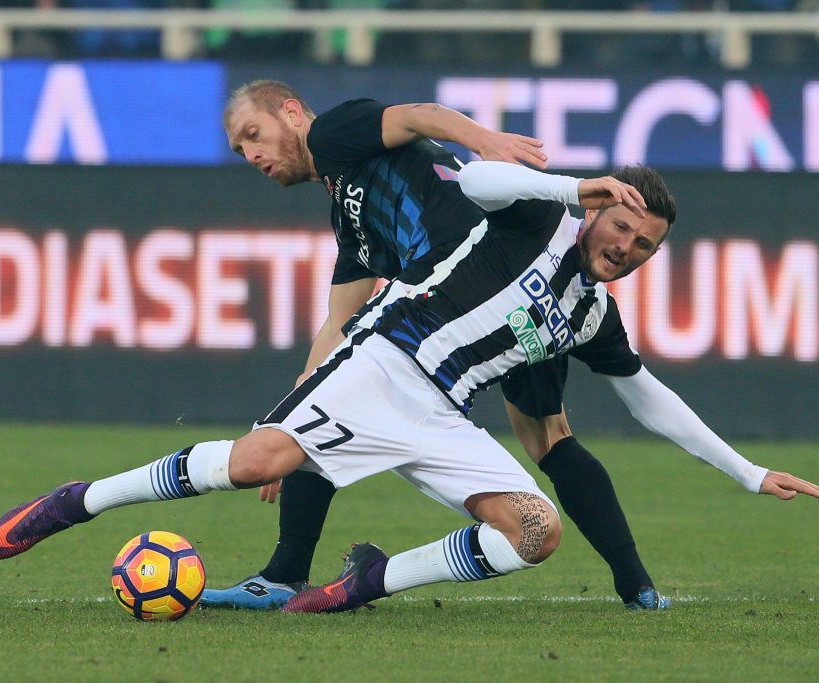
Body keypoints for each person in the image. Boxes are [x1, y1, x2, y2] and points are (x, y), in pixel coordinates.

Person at [0, 160, 819, 615]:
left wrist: (749, 472)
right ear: (600, 210)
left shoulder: (590, 312)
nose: (627, 248)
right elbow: (480, 182)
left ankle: (371, 579)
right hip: (384, 364)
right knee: (252, 464)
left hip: (442, 416)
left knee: (534, 534)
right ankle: (78, 500)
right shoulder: (539, 215)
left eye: (644, 246)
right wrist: (569, 187)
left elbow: (650, 398)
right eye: (621, 226)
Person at [204, 79, 672, 612]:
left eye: (253, 135)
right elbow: (337, 324)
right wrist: (281, 427)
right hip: (474, 304)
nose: (252, 154)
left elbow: (417, 114)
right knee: (547, 437)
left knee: (543, 435)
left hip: (494, 272)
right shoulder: (351, 217)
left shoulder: (333, 133)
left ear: (291, 112)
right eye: (241, 150)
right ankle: (637, 588)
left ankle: (286, 574)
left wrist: (483, 140)